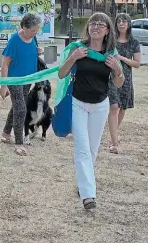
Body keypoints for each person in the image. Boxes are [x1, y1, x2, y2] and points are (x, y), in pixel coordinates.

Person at [58, 13, 124, 210]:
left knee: (92, 149)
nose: (95, 27)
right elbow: (61, 73)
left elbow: (119, 83)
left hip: (100, 105)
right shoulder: (79, 48)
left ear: (107, 30)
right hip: (78, 103)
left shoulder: (111, 53)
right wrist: (73, 58)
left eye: (100, 24)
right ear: (88, 28)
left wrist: (117, 70)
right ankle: (88, 195)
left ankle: (84, 183)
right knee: (82, 148)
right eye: (92, 24)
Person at [0, 13, 44, 156]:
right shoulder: (14, 41)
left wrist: (37, 51)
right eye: (32, 31)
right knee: (21, 109)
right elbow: (5, 64)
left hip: (28, 80)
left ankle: (6, 133)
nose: (35, 33)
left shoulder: (33, 38)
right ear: (24, 27)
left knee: (17, 106)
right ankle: (19, 143)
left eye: (37, 31)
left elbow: (28, 53)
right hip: (15, 80)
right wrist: (4, 85)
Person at [107, 13, 141, 154]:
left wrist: (122, 58)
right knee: (114, 107)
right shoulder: (111, 41)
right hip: (112, 78)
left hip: (126, 78)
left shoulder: (134, 42)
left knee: (122, 108)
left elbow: (137, 63)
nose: (121, 23)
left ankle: (113, 134)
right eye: (119, 21)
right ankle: (115, 143)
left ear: (129, 24)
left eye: (124, 21)